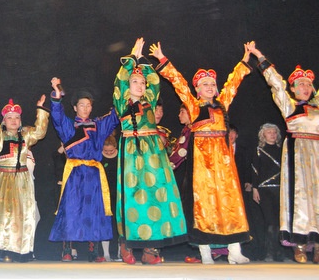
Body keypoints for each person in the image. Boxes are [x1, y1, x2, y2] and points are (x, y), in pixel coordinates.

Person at [150, 40, 252, 265]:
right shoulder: (194, 106)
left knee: (230, 201)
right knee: (204, 203)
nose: (209, 87)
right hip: (202, 163)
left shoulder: (222, 104)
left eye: (212, 84)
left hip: (223, 162)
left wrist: (244, 61)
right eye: (204, 84)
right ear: (197, 89)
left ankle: (234, 249)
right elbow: (179, 84)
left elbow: (233, 84)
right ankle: (205, 250)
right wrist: (163, 60)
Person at [113, 38, 188, 265]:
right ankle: (126, 243)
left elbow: (155, 81)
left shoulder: (150, 101)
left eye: (142, 83)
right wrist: (132, 59)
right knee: (131, 196)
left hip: (152, 152)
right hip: (130, 150)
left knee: (155, 193)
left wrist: (144, 62)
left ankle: (150, 247)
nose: (140, 85)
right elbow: (119, 81)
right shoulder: (121, 102)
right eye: (135, 82)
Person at [248, 44, 319, 264]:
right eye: (300, 84)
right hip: (299, 154)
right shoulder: (289, 106)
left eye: (308, 84)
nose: (305, 87)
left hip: (317, 153)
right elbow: (276, 84)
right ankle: (300, 245)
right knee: (299, 197)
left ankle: (317, 245)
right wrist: (260, 57)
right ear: (294, 89)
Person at [48, 77, 119, 262]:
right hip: (75, 172)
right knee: (71, 209)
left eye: (88, 105)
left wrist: (122, 93)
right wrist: (57, 96)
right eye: (82, 105)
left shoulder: (98, 125)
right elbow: (57, 116)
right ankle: (67, 249)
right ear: (75, 108)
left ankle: (94, 250)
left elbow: (114, 118)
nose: (85, 108)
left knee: (94, 210)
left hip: (94, 173)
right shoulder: (69, 126)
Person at [0, 95, 49, 262]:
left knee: (23, 214)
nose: (13, 121)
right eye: (9, 118)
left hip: (22, 180)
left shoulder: (26, 135)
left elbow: (40, 132)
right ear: (3, 121)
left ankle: (20, 250)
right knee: (2, 214)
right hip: (4, 178)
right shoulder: (0, 136)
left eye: (17, 118)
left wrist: (40, 109)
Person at [251, 123, 284, 262]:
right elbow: (255, 171)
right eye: (269, 132)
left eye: (274, 132)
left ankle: (278, 252)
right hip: (264, 189)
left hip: (281, 189)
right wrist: (255, 189)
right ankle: (269, 252)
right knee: (270, 221)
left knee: (279, 222)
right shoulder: (259, 150)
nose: (272, 135)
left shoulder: (283, 150)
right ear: (263, 135)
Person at [100, 132, 121, 262]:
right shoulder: (99, 157)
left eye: (111, 151)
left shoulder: (121, 156)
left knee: (118, 223)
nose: (108, 153)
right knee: (106, 222)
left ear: (115, 147)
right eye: (105, 151)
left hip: (118, 193)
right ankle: (105, 253)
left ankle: (119, 252)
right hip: (104, 193)